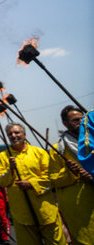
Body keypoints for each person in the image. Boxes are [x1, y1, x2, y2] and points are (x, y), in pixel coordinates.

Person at [0, 123, 66, 244]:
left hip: (45, 210)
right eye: (10, 134)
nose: (14, 136)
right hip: (21, 214)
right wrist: (10, 170)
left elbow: (51, 177)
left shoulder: (39, 152)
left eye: (17, 132)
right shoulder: (3, 156)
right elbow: (1, 182)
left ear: (24, 134)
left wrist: (31, 184)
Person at [49, 105, 94, 245]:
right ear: (65, 123)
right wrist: (70, 172)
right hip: (78, 205)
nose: (80, 123)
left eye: (82, 119)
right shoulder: (58, 149)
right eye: (75, 120)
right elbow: (53, 179)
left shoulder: (91, 143)